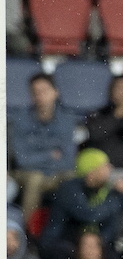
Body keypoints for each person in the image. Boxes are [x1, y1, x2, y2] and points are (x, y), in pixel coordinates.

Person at [39, 148, 123, 259]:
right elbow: (89, 215)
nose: (110, 169)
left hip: (88, 242)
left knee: (111, 255)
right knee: (68, 254)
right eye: (105, 166)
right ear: (92, 172)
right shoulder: (69, 189)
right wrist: (116, 197)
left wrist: (97, 243)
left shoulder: (106, 191)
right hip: (60, 242)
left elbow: (111, 227)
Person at [9, 72, 78, 220]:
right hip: (27, 174)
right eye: (35, 92)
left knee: (72, 179)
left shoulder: (67, 120)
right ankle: (27, 233)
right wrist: (49, 155)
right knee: (35, 178)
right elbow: (22, 160)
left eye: (44, 91)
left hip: (57, 173)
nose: (40, 96)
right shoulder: (20, 119)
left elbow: (68, 160)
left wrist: (41, 161)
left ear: (55, 92)